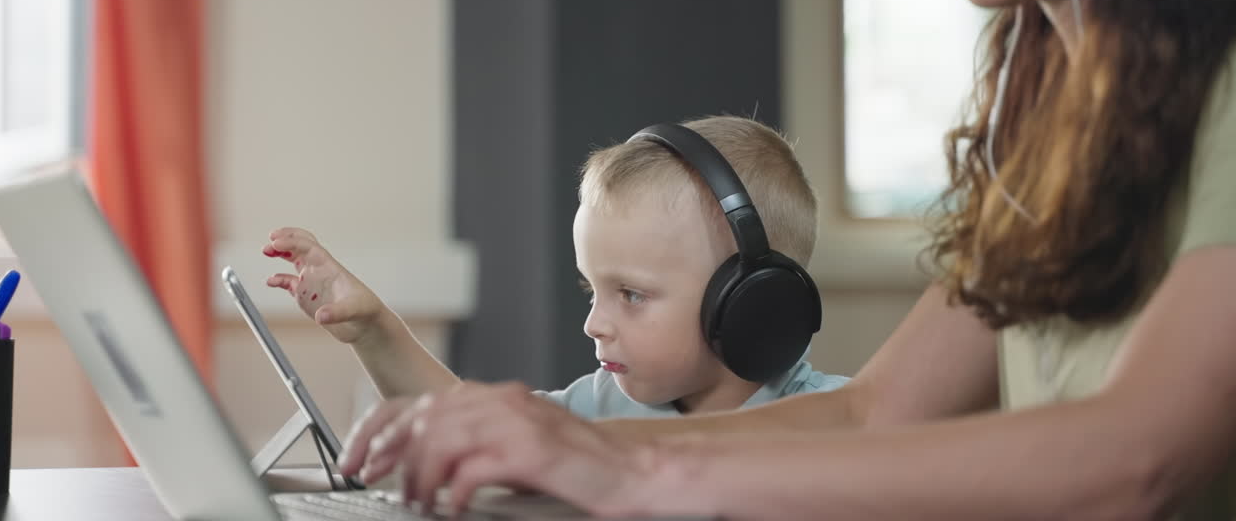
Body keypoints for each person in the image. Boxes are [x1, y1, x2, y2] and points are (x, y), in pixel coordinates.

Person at [333, 0, 1236, 517]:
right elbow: (880, 411)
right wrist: (560, 452)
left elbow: (1138, 462)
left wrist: (631, 467)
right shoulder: (1042, 120)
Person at [262, 115, 847, 434]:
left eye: (632, 295)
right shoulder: (602, 407)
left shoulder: (845, 427)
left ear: (748, 305)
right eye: (593, 290)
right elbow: (466, 423)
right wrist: (374, 330)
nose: (594, 324)